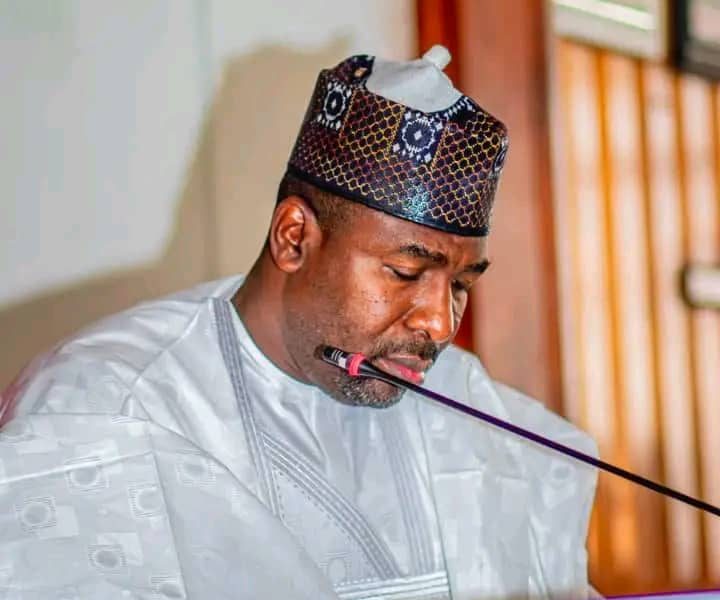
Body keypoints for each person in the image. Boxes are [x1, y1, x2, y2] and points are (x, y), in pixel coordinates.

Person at [0, 47, 598, 599]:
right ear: (293, 238)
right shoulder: (105, 408)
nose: (441, 324)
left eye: (461, 285)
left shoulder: (464, 400)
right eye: (405, 272)